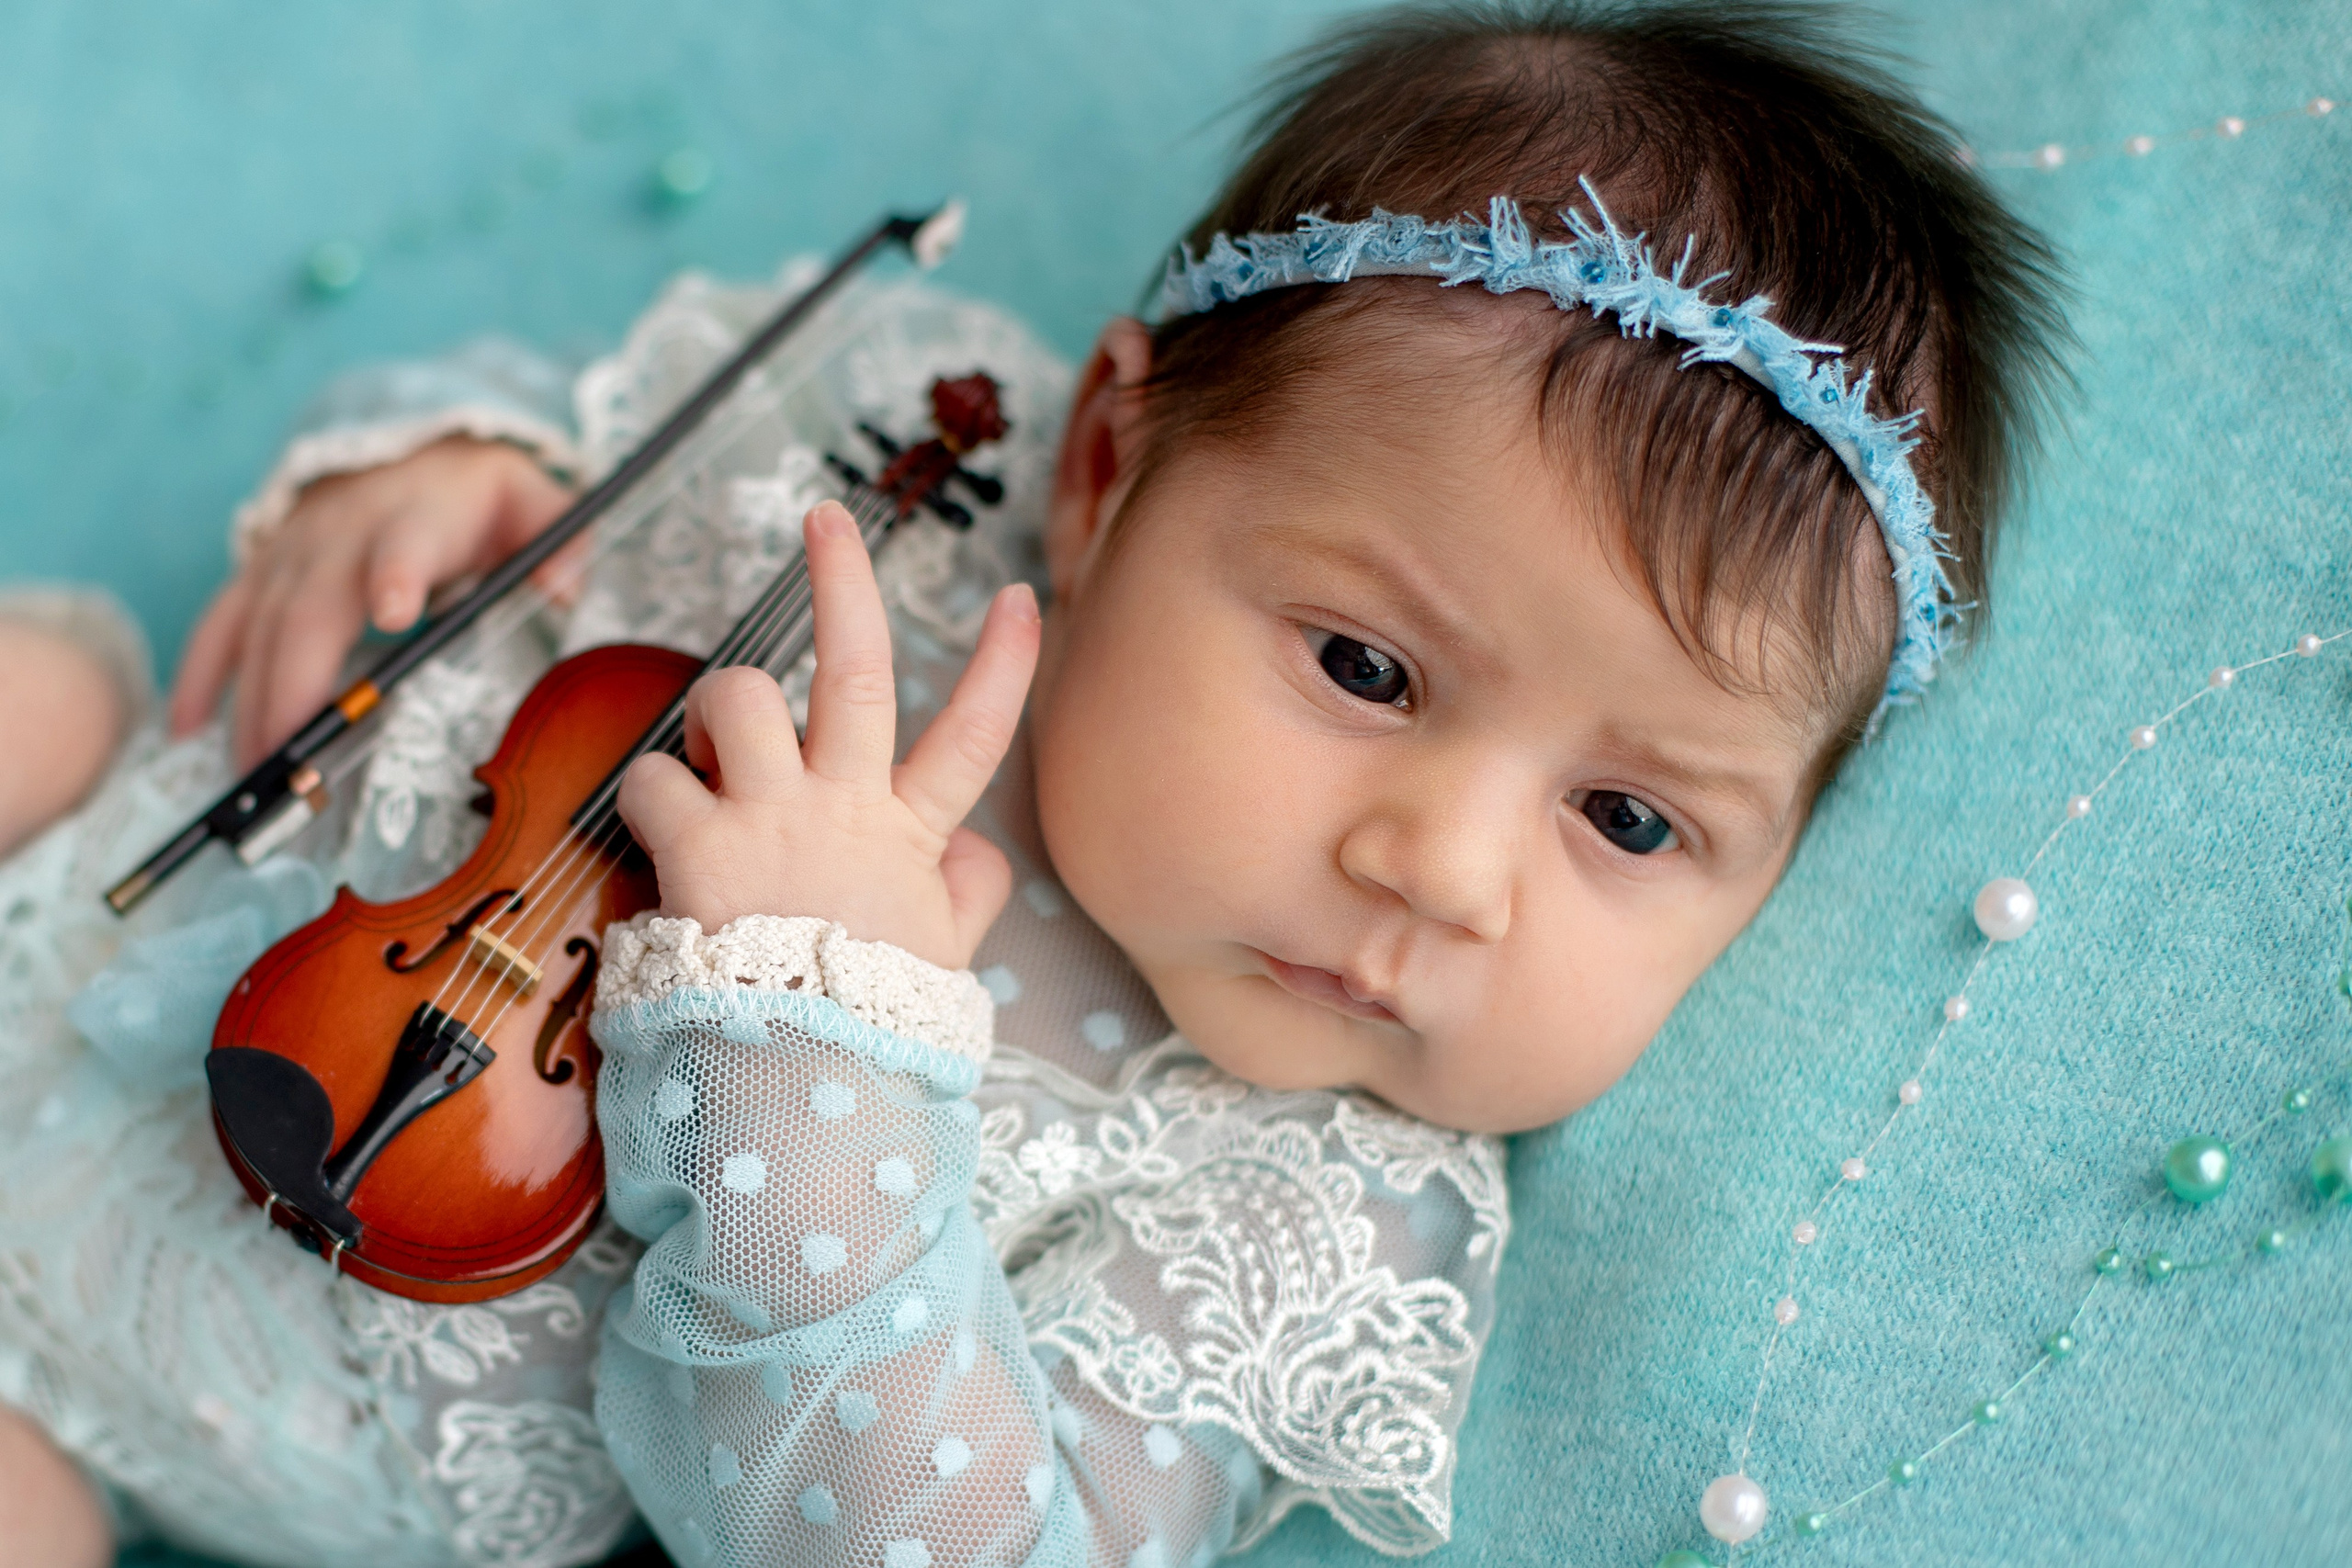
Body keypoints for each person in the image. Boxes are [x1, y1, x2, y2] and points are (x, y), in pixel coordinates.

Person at [0, 4, 2068, 1565]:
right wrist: (428, 476)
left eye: (1629, 820)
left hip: (141, 1384)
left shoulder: (1307, 1216)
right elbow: (576, 431)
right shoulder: (920, 448)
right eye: (1364, 668)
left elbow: (940, 1543)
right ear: (1101, 472)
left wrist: (811, 1063)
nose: (1440, 871)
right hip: (106, 836)